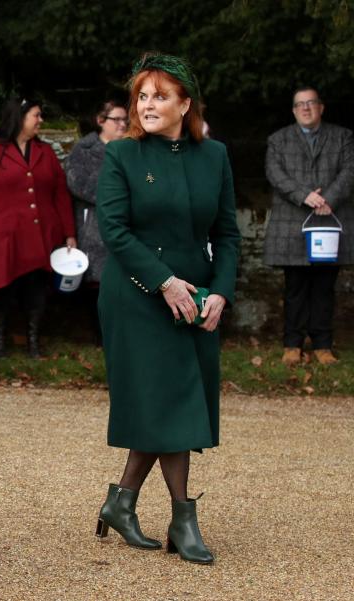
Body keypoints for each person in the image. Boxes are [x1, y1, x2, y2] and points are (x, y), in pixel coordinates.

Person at [93, 53, 240, 565]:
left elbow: (226, 233)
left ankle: (123, 502)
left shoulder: (214, 156)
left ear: (185, 103)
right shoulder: (122, 156)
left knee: (174, 401)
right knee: (169, 399)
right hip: (136, 296)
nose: (147, 104)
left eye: (159, 95)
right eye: (142, 96)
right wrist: (164, 282)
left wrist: (219, 290)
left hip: (196, 296)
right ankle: (183, 518)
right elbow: (113, 230)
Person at [0, 97, 76, 357]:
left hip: (40, 235)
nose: (40, 121)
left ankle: (33, 344)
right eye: (36, 115)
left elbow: (60, 193)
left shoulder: (45, 152)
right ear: (20, 117)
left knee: (36, 289)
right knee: (2, 288)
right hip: (3, 235)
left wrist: (69, 233)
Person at [262, 86, 354, 366]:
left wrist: (329, 198)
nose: (306, 108)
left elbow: (350, 170)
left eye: (311, 103)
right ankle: (292, 344)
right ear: (293, 110)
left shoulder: (343, 136)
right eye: (300, 104)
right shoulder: (278, 139)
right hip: (293, 223)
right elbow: (275, 174)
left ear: (321, 107)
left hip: (330, 220)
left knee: (325, 288)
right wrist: (307, 196)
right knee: (295, 288)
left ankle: (323, 346)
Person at [64, 99, 129, 342]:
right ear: (101, 121)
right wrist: (119, 194)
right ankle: (101, 336)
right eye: (117, 120)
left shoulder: (134, 148)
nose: (122, 125)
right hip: (94, 226)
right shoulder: (83, 150)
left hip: (128, 227)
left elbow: (149, 179)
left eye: (125, 120)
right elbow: (78, 183)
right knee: (99, 285)